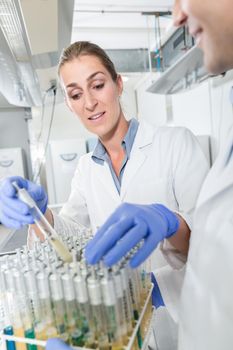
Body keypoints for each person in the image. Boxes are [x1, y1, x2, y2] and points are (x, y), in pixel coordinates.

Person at [0, 41, 208, 348]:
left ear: (118, 84)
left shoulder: (175, 143)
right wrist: (39, 213)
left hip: (182, 323)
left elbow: (216, 244)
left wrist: (171, 224)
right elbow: (71, 240)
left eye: (97, 85)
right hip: (116, 328)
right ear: (70, 105)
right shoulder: (85, 168)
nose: (90, 102)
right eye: (75, 94)